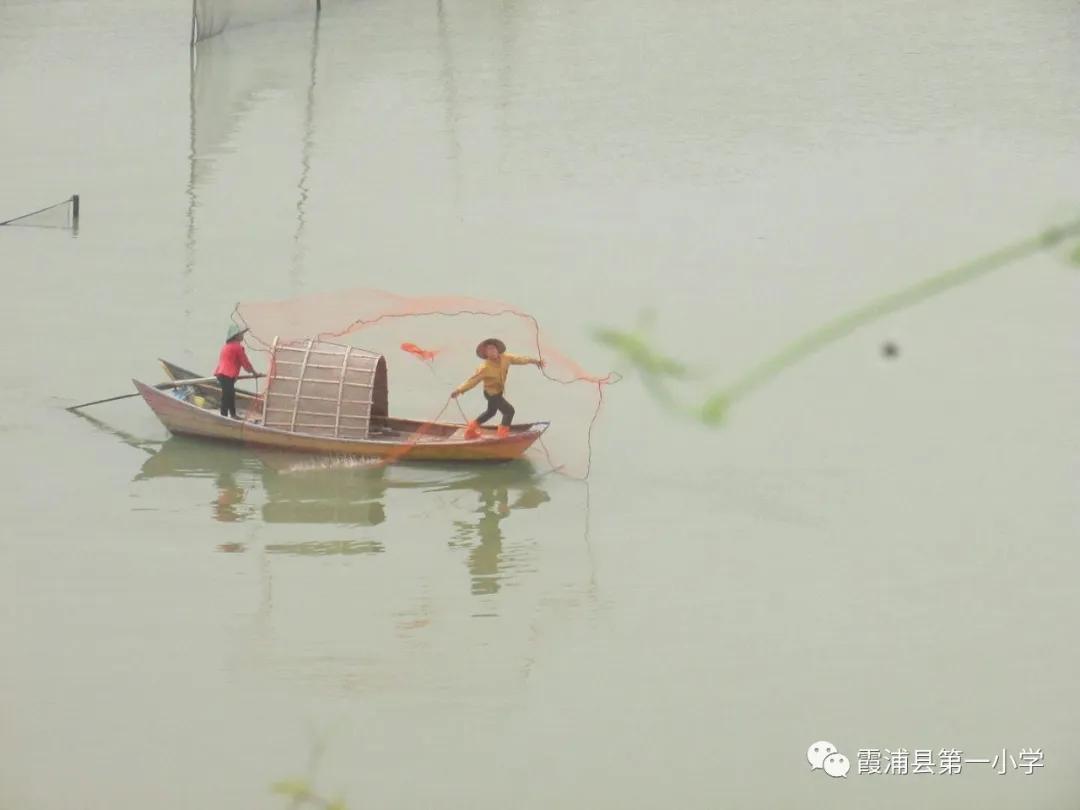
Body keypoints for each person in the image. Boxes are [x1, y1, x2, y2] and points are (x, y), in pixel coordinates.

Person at [451, 338, 543, 439]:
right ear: (485, 354)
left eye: (493, 348)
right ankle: (502, 436)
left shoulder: (506, 358)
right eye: (489, 350)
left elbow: (520, 359)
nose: (492, 351)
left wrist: (535, 361)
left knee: (490, 413)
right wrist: (459, 390)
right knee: (509, 411)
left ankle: (470, 430)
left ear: (497, 349)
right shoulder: (485, 367)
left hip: (499, 392)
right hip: (491, 393)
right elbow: (472, 380)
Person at [214, 324, 257, 419]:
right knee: (227, 395)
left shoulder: (227, 346)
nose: (242, 336)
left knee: (230, 394)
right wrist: (254, 372)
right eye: (241, 334)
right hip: (226, 374)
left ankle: (231, 415)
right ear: (236, 336)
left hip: (222, 374)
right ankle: (224, 416)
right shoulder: (237, 347)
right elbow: (245, 362)